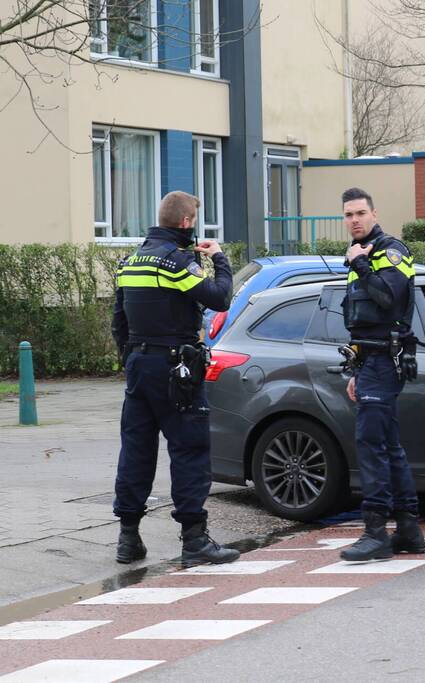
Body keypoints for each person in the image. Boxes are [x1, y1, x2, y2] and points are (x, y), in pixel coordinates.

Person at [110, 191, 239, 568]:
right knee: (189, 450)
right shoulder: (176, 263)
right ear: (186, 223)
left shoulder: (130, 261)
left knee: (136, 450)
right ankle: (195, 539)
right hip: (175, 370)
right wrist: (219, 258)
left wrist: (131, 358)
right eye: (194, 220)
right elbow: (220, 298)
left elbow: (119, 319)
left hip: (138, 365)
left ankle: (128, 538)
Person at [339, 187, 425, 562]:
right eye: (348, 215)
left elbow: (389, 299)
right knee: (389, 448)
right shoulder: (359, 255)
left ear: (374, 214)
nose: (354, 220)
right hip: (371, 362)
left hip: (386, 363)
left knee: (371, 448)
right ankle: (409, 530)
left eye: (360, 213)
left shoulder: (392, 251)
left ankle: (375, 533)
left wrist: (359, 264)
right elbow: (361, 324)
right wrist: (356, 369)